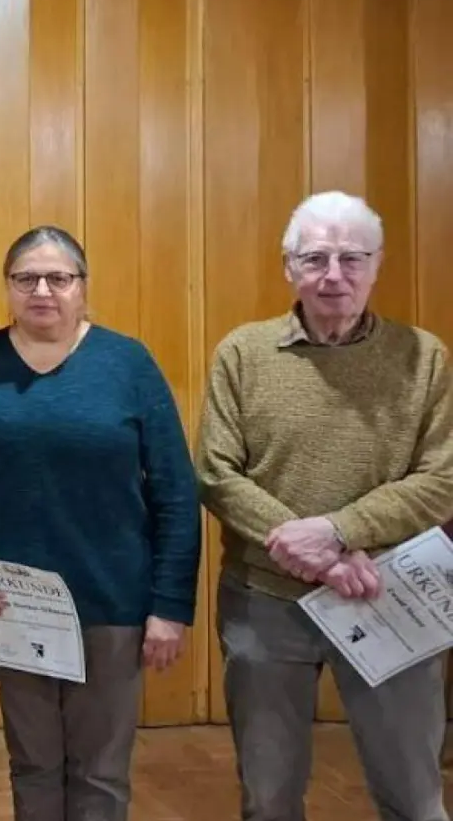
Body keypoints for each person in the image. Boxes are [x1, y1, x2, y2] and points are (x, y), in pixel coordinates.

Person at [0, 225, 201, 820]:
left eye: (58, 277)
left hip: (113, 603)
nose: (42, 290)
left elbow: (176, 490)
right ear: (8, 288)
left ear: (82, 287)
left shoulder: (127, 363)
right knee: (33, 764)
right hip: (18, 602)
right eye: (26, 278)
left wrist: (170, 604)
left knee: (100, 773)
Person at [197, 191, 453, 821]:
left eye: (351, 258)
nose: (333, 275)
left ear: (377, 264)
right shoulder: (242, 353)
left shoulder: (424, 357)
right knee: (269, 799)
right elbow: (216, 473)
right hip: (265, 604)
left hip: (390, 594)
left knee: (416, 799)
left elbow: (442, 480)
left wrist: (338, 532)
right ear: (289, 267)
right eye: (315, 259)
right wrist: (319, 559)